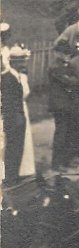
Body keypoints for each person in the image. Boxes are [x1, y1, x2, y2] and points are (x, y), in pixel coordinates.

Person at [48, 49, 79, 171]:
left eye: (68, 53)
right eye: (64, 53)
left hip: (67, 103)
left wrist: (72, 80)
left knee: (68, 132)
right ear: (58, 53)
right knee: (61, 134)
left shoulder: (65, 65)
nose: (67, 55)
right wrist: (72, 80)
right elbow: (69, 81)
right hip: (59, 104)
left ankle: (65, 161)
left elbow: (75, 80)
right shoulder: (56, 67)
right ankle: (56, 164)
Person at [1, 50, 27, 183]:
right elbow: (8, 102)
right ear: (14, 62)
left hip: (18, 117)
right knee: (13, 148)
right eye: (20, 61)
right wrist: (15, 118)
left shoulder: (17, 76)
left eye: (23, 60)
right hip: (14, 118)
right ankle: (11, 177)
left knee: (18, 147)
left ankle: (14, 175)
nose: (23, 64)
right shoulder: (7, 78)